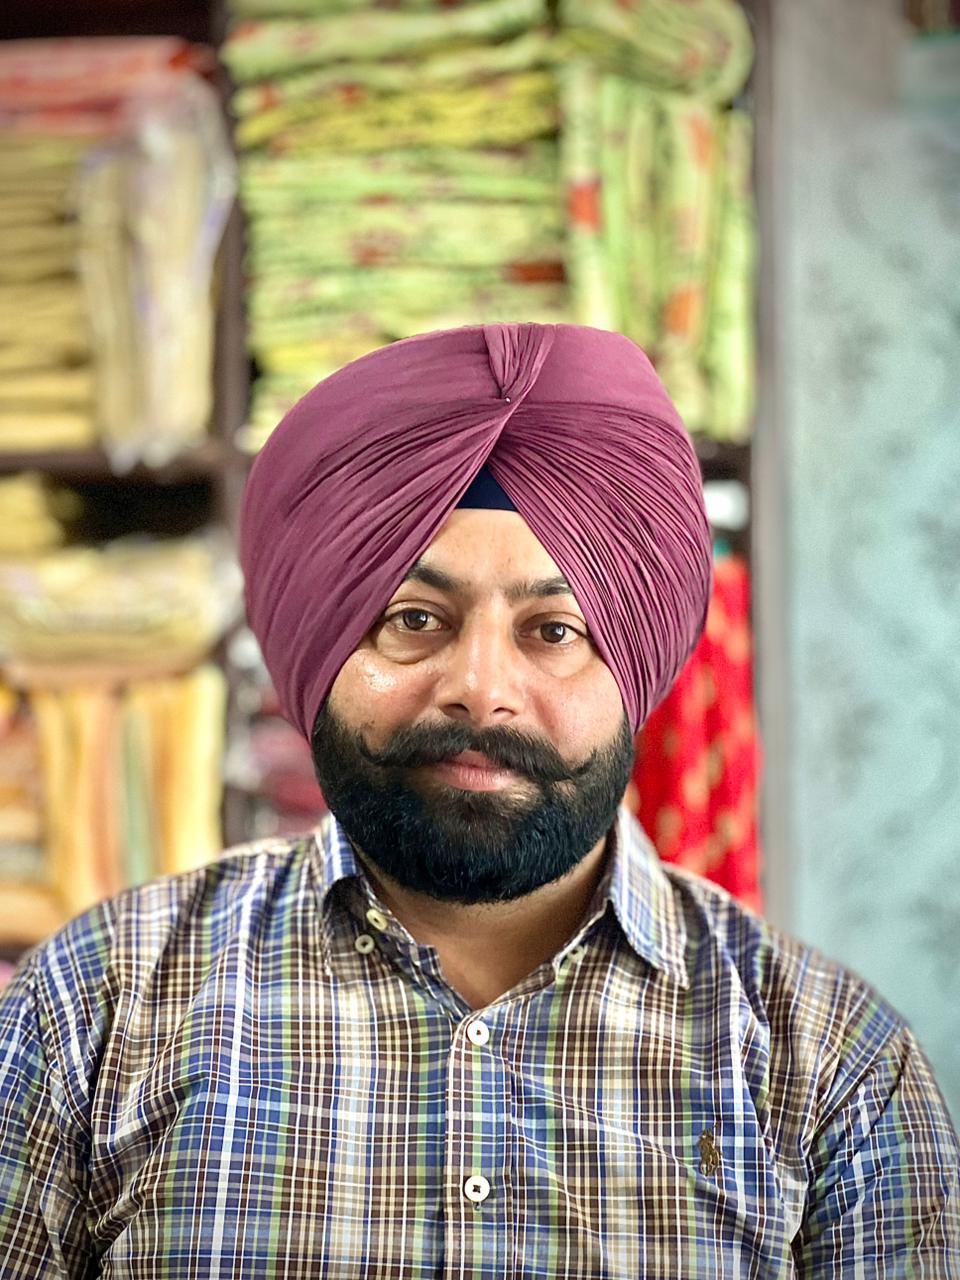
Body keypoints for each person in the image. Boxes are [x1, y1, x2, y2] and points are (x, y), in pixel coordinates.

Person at [0, 323, 956, 1278]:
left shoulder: (835, 1069)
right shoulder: (94, 1007)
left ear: (634, 668)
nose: (481, 689)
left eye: (554, 630)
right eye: (415, 619)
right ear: (320, 647)